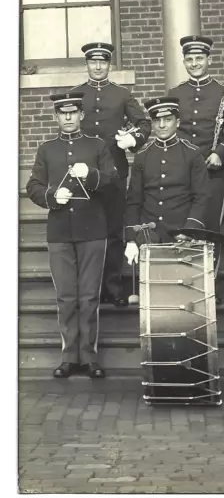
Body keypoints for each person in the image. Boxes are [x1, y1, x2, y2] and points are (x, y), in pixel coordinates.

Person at [26, 92, 119, 379]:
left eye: (73, 112)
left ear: (81, 115)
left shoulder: (97, 145)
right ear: (56, 116)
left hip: (92, 230)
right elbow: (33, 186)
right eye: (62, 113)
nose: (68, 118)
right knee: (66, 297)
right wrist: (53, 196)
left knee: (89, 296)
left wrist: (90, 174)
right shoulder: (46, 149)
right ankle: (69, 357)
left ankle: (89, 357)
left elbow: (113, 180)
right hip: (60, 233)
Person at [71, 42, 151, 307]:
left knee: (115, 229)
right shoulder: (76, 93)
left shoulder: (122, 94)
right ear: (87, 64)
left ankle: (114, 286)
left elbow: (144, 124)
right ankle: (89, 287)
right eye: (93, 62)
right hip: (83, 173)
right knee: (86, 229)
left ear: (109, 65)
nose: (97, 67)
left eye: (103, 62)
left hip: (115, 171)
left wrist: (133, 140)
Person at [167, 35, 224, 300]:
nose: (195, 63)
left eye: (200, 58)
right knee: (184, 227)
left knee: (209, 228)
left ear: (209, 60)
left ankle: (208, 287)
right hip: (183, 173)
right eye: (190, 59)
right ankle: (186, 284)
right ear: (184, 61)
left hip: (213, 171)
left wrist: (221, 153)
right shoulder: (175, 94)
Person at [124, 96, 209, 266]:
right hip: (149, 236)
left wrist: (189, 229)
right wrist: (131, 239)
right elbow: (134, 200)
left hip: (182, 234)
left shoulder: (192, 153)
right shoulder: (142, 156)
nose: (161, 125)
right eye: (157, 120)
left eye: (167, 119)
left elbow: (202, 197)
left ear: (177, 122)